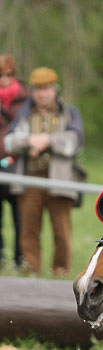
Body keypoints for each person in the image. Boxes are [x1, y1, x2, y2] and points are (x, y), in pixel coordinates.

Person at [4, 66, 84, 277]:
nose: (42, 93)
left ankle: (61, 270)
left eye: (46, 89)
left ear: (54, 90)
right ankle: (31, 269)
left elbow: (76, 142)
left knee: (61, 229)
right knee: (28, 229)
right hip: (30, 179)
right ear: (33, 91)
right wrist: (29, 140)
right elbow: (9, 142)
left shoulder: (69, 113)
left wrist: (47, 140)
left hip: (60, 179)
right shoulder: (24, 114)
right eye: (38, 89)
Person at [0, 54, 27, 268]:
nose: (4, 79)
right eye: (1, 75)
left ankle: (20, 259)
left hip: (19, 167)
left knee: (21, 219)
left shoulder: (26, 100)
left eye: (8, 74)